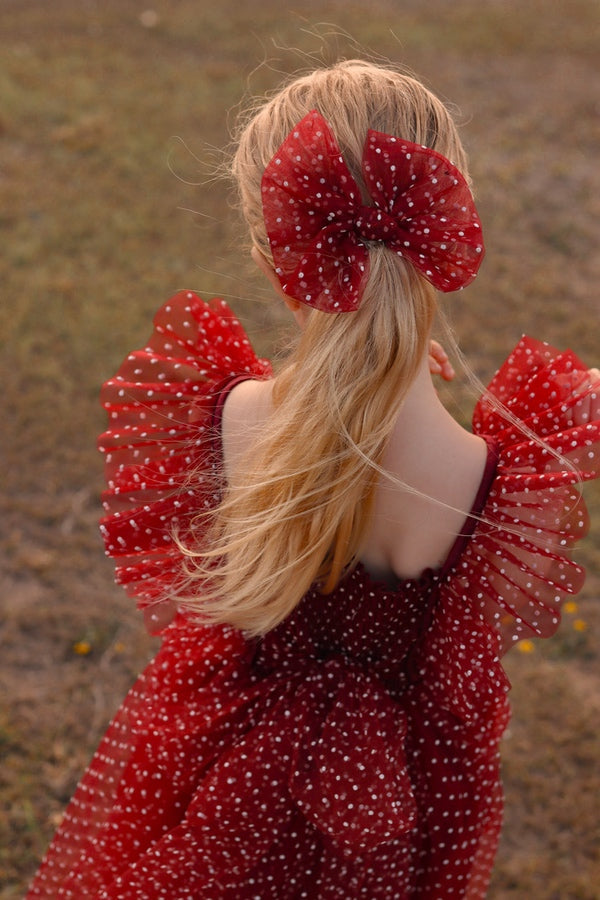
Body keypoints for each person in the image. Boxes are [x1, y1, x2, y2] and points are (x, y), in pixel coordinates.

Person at [27, 59, 599, 899]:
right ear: (443, 223)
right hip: (399, 816)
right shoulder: (496, 475)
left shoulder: (222, 417)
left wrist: (365, 374)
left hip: (215, 791)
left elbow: (325, 429)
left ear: (272, 253)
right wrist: (395, 376)